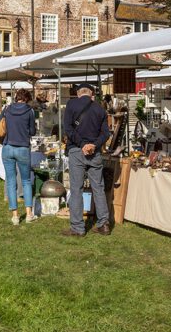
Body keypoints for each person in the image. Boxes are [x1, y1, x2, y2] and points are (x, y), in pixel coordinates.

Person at [61, 83, 111, 237]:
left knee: (76, 189)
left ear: (78, 93)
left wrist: (83, 144)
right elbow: (106, 134)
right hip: (94, 153)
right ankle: (103, 224)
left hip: (77, 150)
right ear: (92, 95)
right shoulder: (99, 109)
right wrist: (94, 145)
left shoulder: (71, 104)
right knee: (98, 188)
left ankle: (77, 227)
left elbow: (67, 129)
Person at [0, 88, 38, 225]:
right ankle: (29, 214)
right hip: (23, 147)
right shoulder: (30, 111)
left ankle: (15, 216)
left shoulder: (7, 109)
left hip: (7, 148)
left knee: (11, 181)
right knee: (25, 181)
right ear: (27, 99)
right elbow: (32, 131)